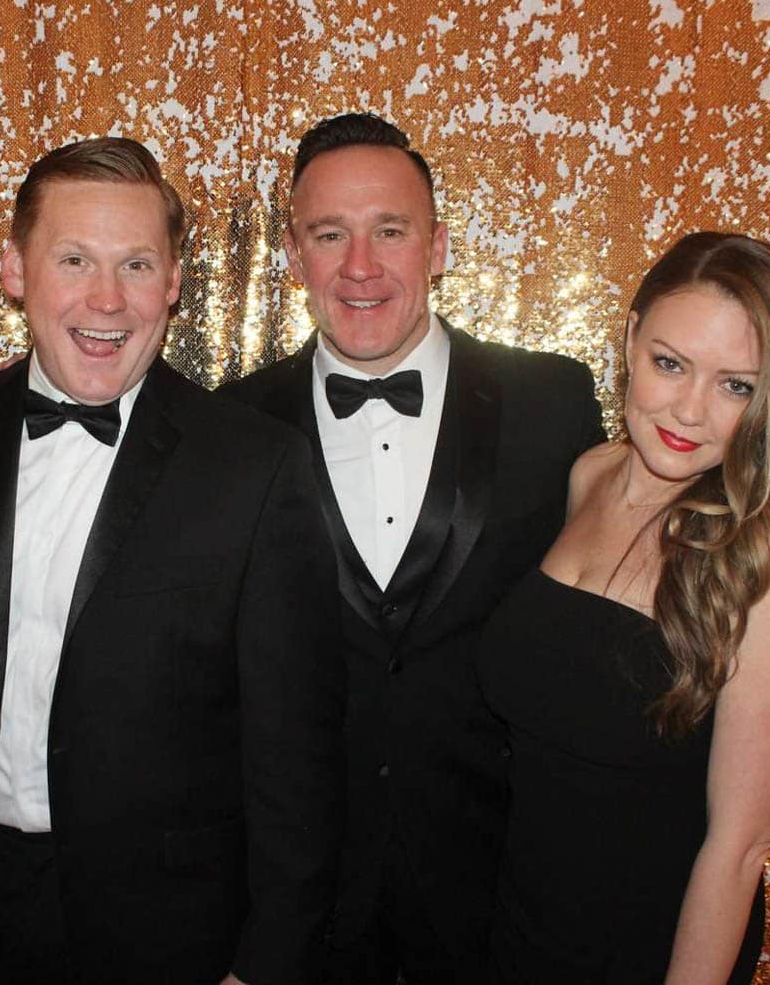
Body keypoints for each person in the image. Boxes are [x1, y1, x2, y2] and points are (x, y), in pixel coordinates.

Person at [0, 136, 344, 985]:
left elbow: (297, 756)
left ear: (173, 282)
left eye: (136, 264)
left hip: (168, 932)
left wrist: (265, 962)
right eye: (74, 260)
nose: (107, 298)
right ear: (15, 270)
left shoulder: (255, 464)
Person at [223, 113, 605, 982]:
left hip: (500, 896)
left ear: (438, 247)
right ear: (293, 255)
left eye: (390, 231)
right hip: (301, 907)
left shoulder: (552, 404)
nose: (360, 266)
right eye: (330, 234)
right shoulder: (232, 424)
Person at [476, 231, 770, 982]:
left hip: (647, 952)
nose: (690, 410)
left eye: (736, 386)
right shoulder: (589, 475)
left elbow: (737, 850)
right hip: (516, 927)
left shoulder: (763, 559)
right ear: (632, 340)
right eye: (670, 364)